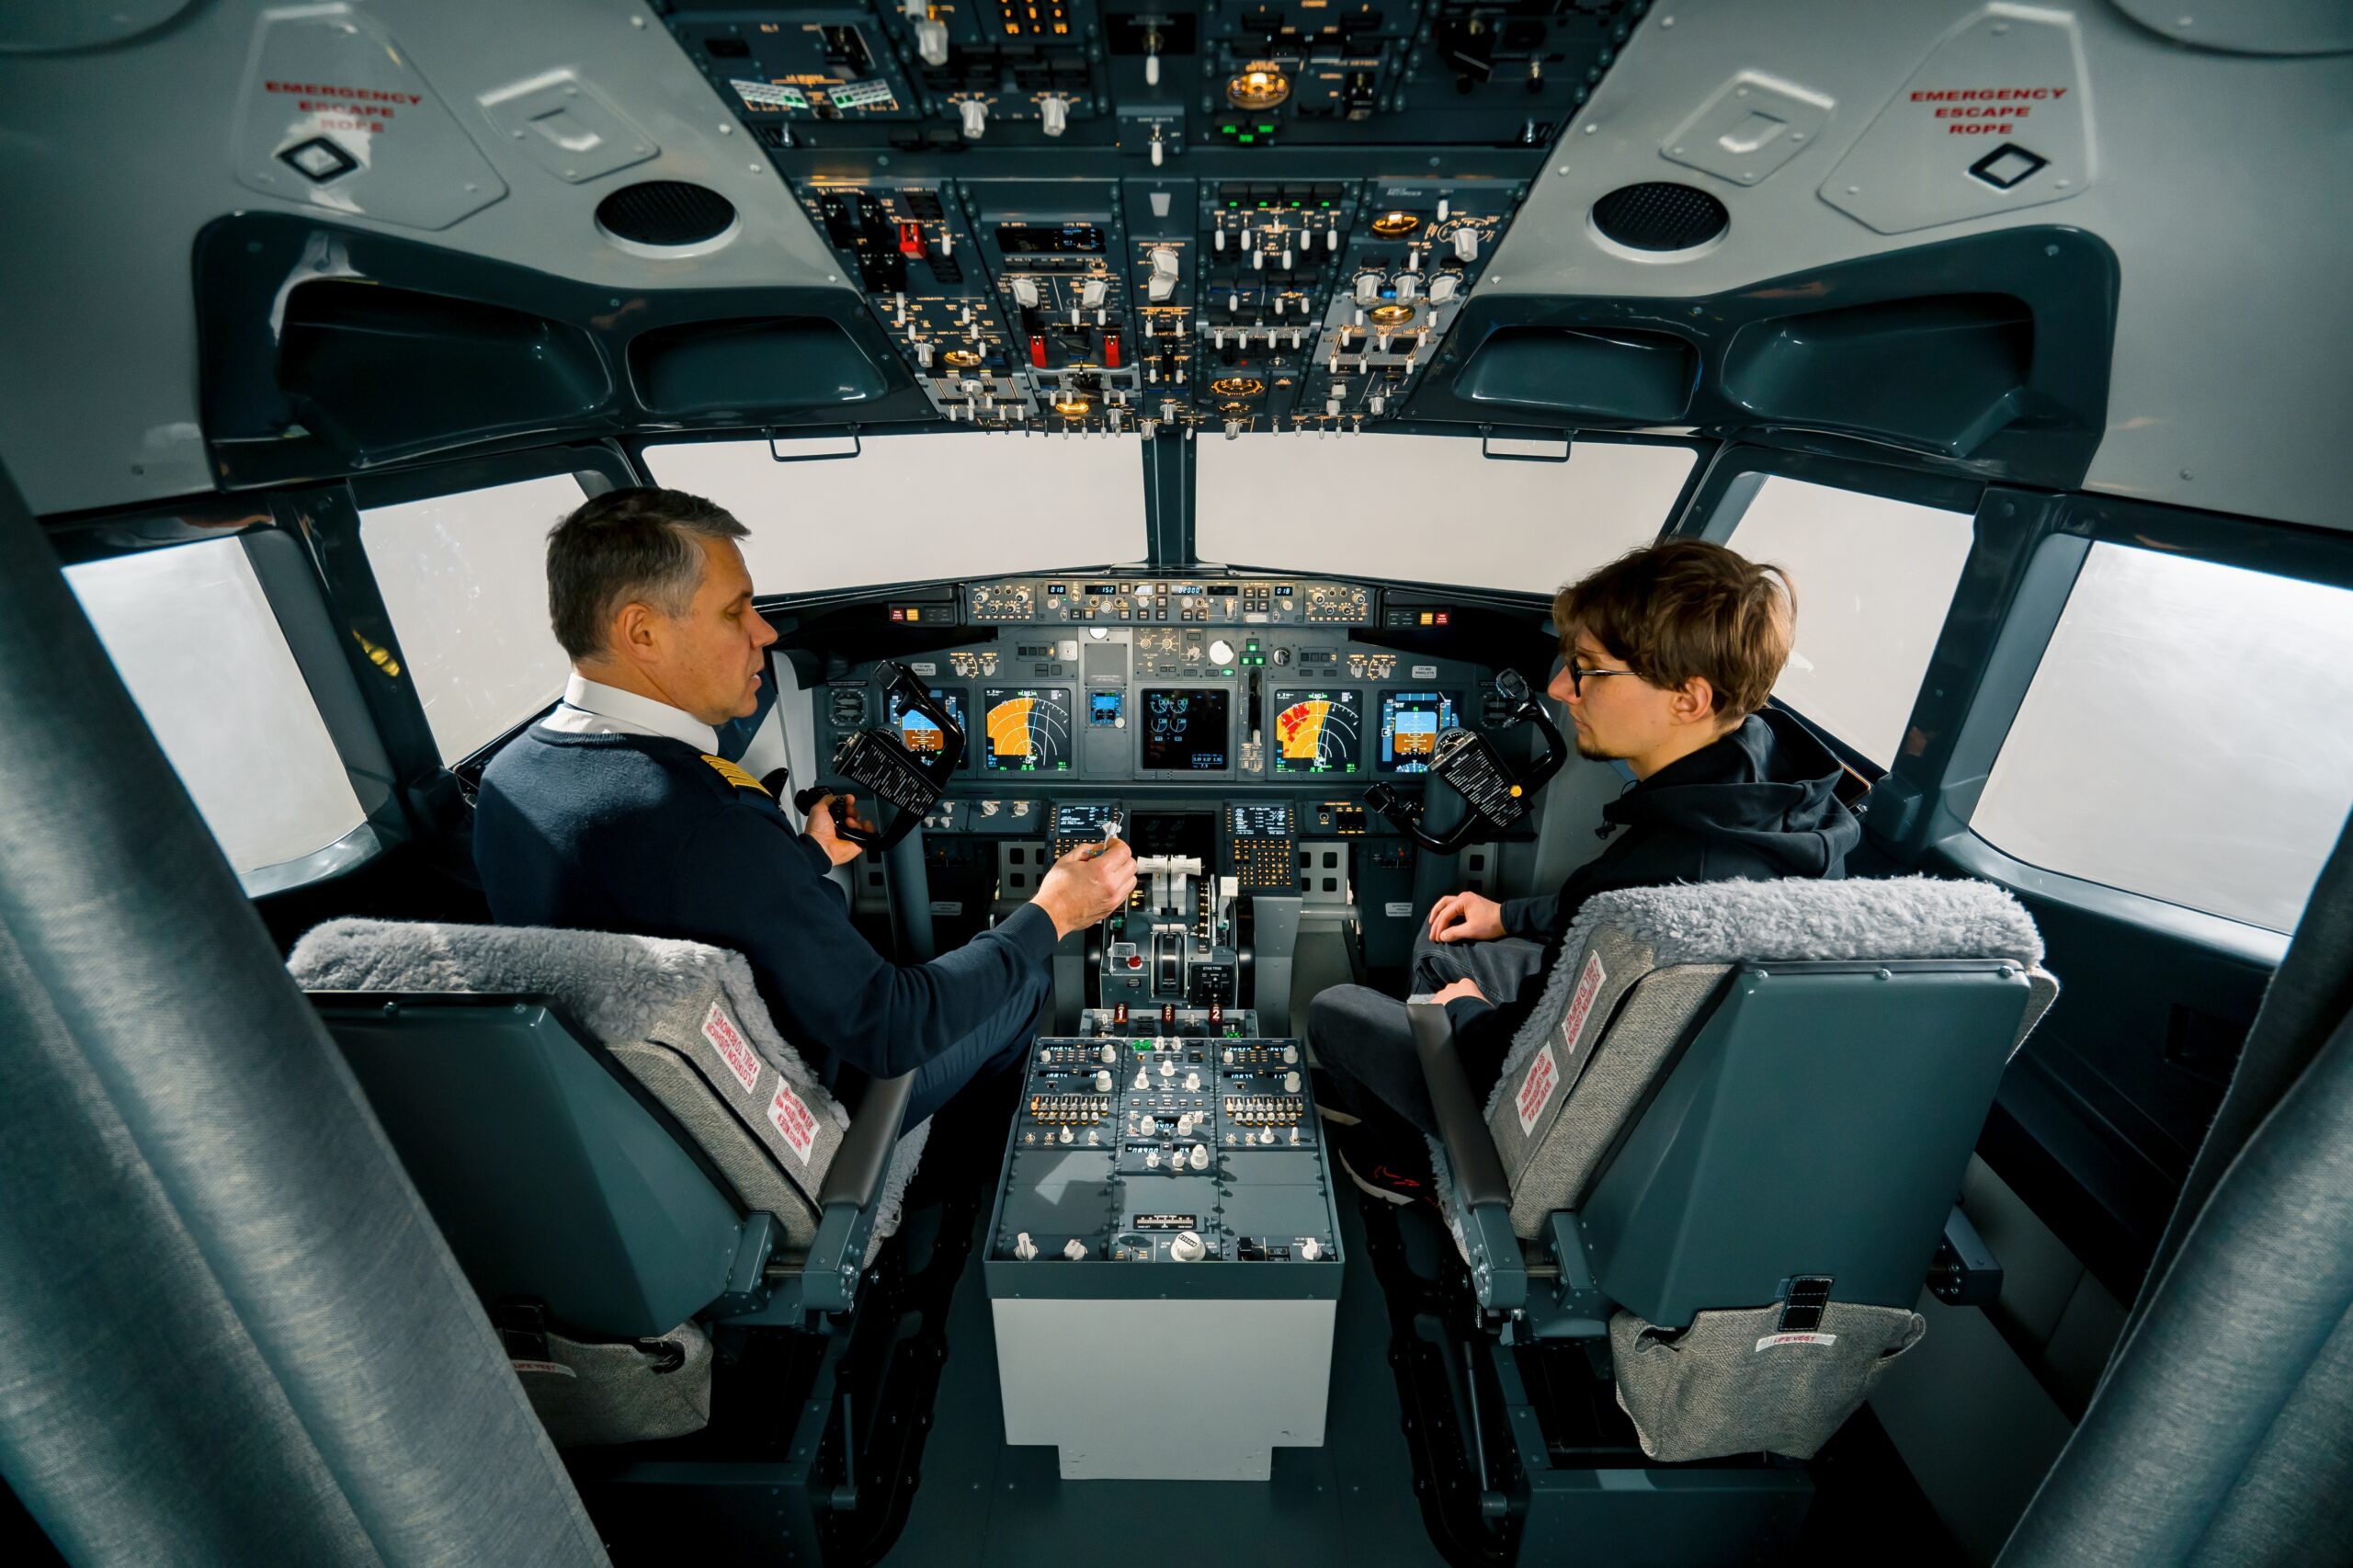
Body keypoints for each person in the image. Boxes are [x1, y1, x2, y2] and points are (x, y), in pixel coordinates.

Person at [473, 487, 1135, 1124]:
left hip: (634, 1113)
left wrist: (806, 855)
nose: (764, 632)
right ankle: (962, 1177)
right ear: (642, 631)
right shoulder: (708, 821)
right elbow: (892, 1027)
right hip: (798, 1113)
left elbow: (678, 897)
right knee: (1023, 986)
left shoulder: (512, 780)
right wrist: (1053, 912)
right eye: (736, 612)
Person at [1308, 539, 1861, 1202]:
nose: (1560, 687)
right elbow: (1593, 920)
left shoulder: (1667, 878)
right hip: (1655, 1066)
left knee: (1335, 1010)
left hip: (1566, 1102)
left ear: (1688, 699)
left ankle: (1403, 1169)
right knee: (1447, 935)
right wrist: (1505, 916)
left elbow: (1547, 1059)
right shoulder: (1763, 788)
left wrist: (1467, 1019)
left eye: (1589, 669)